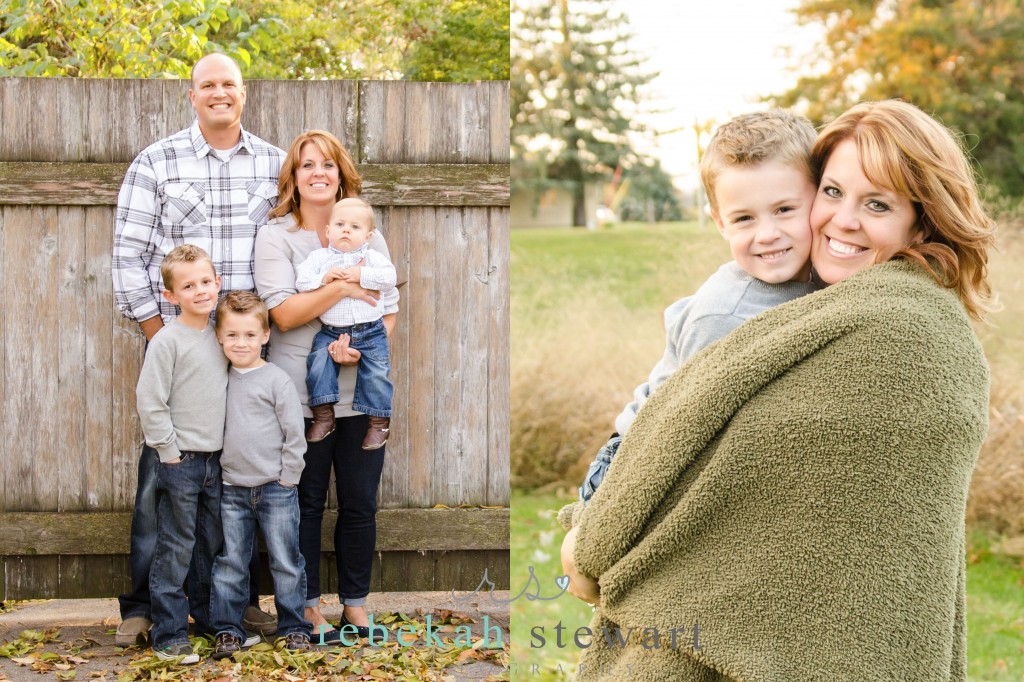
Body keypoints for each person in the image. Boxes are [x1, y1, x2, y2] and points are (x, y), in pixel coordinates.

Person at [560, 99, 996, 680]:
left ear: (922, 220)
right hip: (626, 453)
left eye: (877, 204)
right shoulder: (741, 309)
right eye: (834, 192)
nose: (841, 220)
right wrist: (594, 535)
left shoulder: (897, 326)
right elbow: (671, 427)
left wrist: (589, 554)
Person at [111, 52, 281, 645]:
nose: (218, 93)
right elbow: (128, 256)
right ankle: (141, 606)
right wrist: (164, 337)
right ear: (191, 95)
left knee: (238, 479)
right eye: (207, 85)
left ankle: (232, 603)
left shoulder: (273, 164)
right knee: (165, 478)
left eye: (228, 84)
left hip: (247, 349)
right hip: (181, 346)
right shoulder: (157, 162)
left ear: (244, 92)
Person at [576, 110, 822, 504]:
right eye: (744, 218)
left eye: (785, 210)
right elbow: (681, 428)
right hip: (635, 464)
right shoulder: (724, 316)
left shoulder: (822, 280)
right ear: (720, 222)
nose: (768, 234)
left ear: (819, 197)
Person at [254, 130, 398, 645]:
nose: (318, 173)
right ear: (293, 175)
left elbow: (387, 308)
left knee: (360, 501)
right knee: (307, 501)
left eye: (328, 165)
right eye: (307, 165)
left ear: (342, 174)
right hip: (302, 394)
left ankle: (355, 606)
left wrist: (362, 346)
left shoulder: (365, 231)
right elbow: (285, 314)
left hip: (362, 390)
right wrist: (343, 285)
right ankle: (308, 606)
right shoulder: (277, 236)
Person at [134, 245, 227, 664]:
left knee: (211, 545)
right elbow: (150, 401)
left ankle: (207, 623)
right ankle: (170, 634)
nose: (200, 290)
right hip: (179, 460)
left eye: (206, 282)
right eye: (189, 286)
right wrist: (169, 454)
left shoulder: (223, 335)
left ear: (218, 283)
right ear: (171, 295)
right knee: (174, 547)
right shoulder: (167, 340)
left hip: (216, 460)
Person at [209, 292, 312, 658]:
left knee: (285, 560)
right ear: (219, 336)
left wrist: (288, 478)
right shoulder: (218, 378)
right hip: (232, 487)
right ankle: (227, 629)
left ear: (265, 336)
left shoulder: (275, 380)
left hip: (275, 488)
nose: (241, 343)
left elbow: (293, 433)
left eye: (250, 335)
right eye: (233, 335)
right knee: (231, 562)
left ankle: (295, 627)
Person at [295, 197, 398, 446]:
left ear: (368, 235)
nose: (346, 230)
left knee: (377, 374)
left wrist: (362, 274)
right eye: (340, 224)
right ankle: (323, 415)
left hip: (371, 330)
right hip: (332, 331)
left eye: (355, 227)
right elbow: (301, 282)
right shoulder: (319, 258)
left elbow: (389, 278)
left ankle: (378, 424)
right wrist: (325, 279)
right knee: (318, 364)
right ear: (328, 231)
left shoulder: (372, 258)